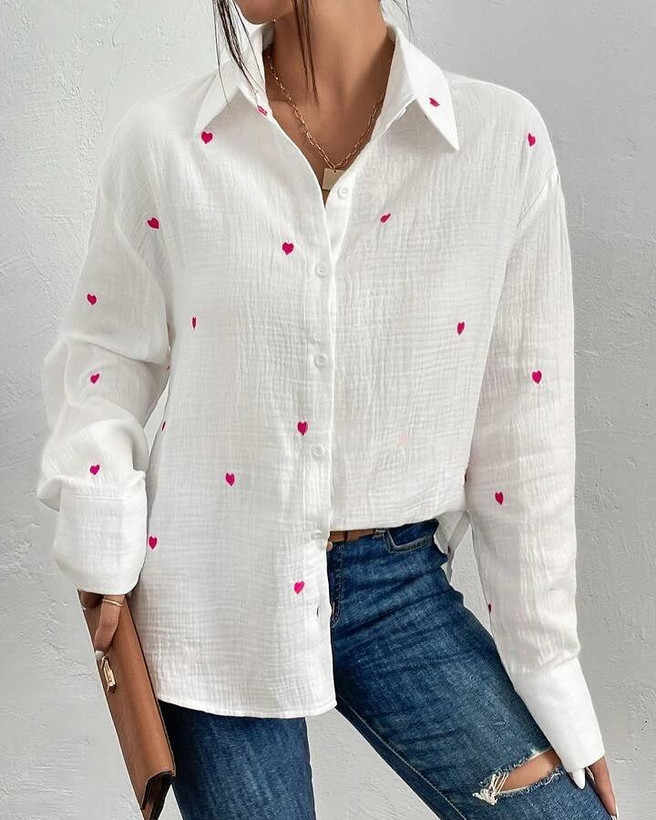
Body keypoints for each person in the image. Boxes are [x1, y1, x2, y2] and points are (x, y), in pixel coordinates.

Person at [36, 0, 619, 817]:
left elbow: (522, 443)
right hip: (211, 586)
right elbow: (105, 356)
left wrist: (551, 671)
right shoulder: (165, 144)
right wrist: (102, 539)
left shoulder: (498, 143)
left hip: (399, 586)